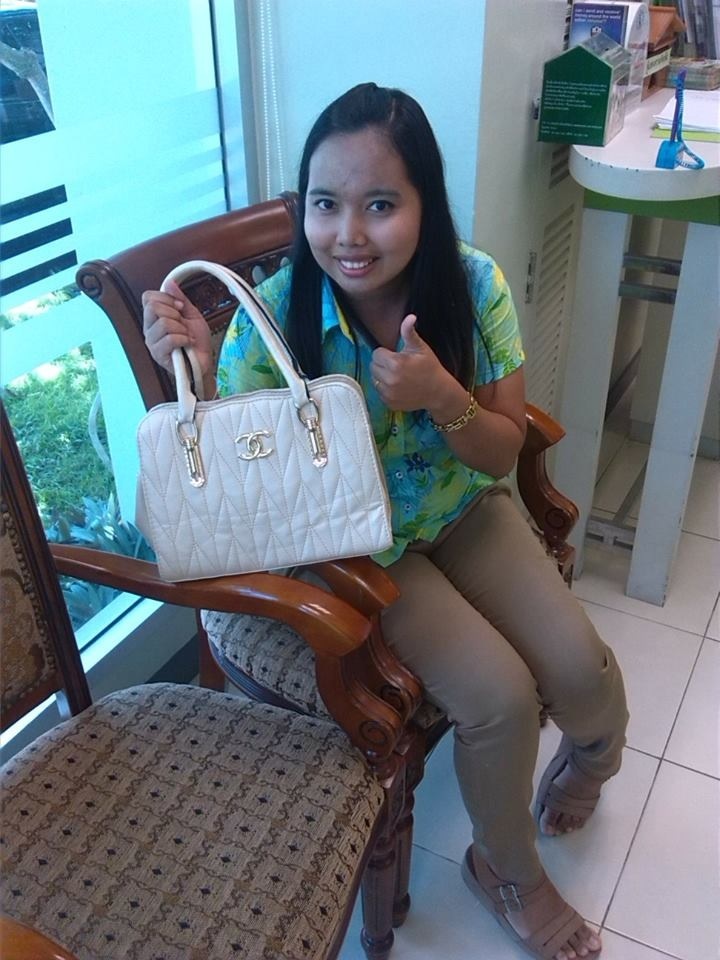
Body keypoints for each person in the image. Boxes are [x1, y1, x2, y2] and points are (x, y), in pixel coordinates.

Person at [142, 83, 628, 960]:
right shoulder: (276, 315)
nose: (349, 235)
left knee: (580, 669)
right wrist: (203, 376)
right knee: (499, 699)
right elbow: (248, 491)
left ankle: (593, 759)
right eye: (325, 204)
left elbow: (499, 451)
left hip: (461, 508)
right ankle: (506, 870)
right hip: (362, 549)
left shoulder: (473, 285)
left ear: (424, 204)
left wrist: (442, 395)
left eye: (380, 205)